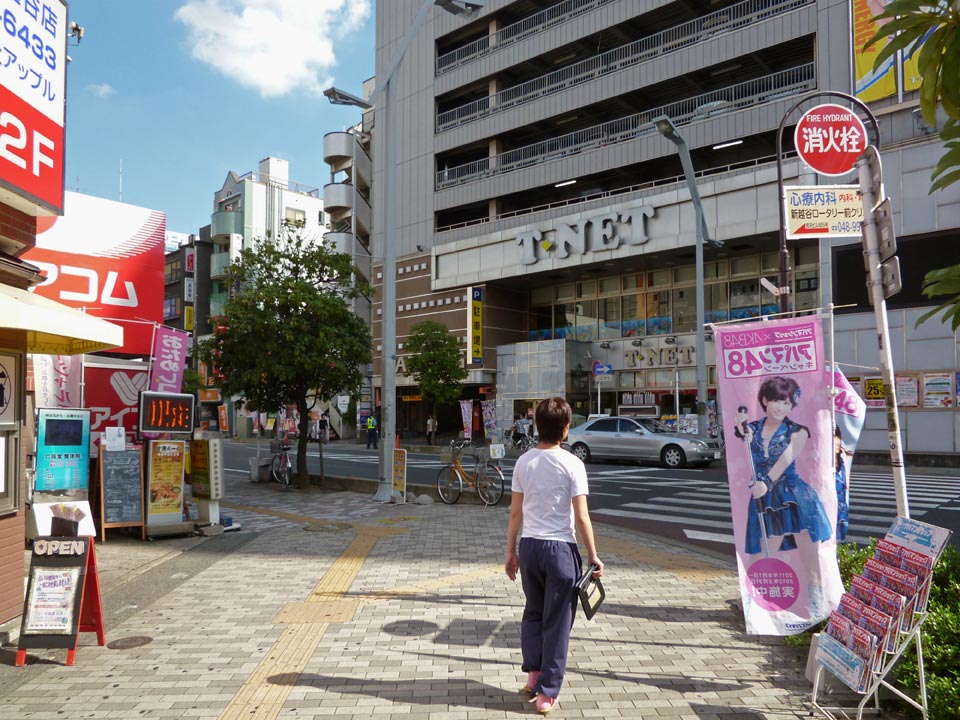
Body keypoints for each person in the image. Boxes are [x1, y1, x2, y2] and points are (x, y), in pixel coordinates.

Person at [505, 397, 603, 715]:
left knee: (533, 612)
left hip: (530, 547)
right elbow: (583, 517)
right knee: (558, 622)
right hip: (561, 550)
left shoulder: (524, 462)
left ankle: (533, 676)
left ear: (537, 426)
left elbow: (515, 514)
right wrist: (593, 556)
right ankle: (548, 691)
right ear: (565, 427)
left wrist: (510, 551)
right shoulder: (573, 463)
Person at [734, 376, 832, 556]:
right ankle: (759, 585)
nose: (782, 407)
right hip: (761, 494)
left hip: (794, 495)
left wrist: (766, 482)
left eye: (787, 403)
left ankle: (815, 586)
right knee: (760, 556)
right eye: (777, 401)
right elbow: (743, 433)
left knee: (810, 557)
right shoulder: (753, 428)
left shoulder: (798, 431)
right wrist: (740, 425)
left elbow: (785, 460)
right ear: (765, 400)